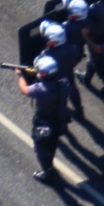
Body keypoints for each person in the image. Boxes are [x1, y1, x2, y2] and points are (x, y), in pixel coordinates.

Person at [16, 55, 69, 183]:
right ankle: (49, 160)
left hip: (44, 123)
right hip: (60, 121)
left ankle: (47, 172)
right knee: (52, 144)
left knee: (40, 148)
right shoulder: (64, 83)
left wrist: (20, 75)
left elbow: (25, 90)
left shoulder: (41, 89)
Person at [39, 22, 84, 120]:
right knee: (73, 91)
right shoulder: (72, 48)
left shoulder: (47, 53)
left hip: (54, 77)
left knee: (58, 99)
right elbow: (75, 59)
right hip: (68, 73)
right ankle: (79, 110)